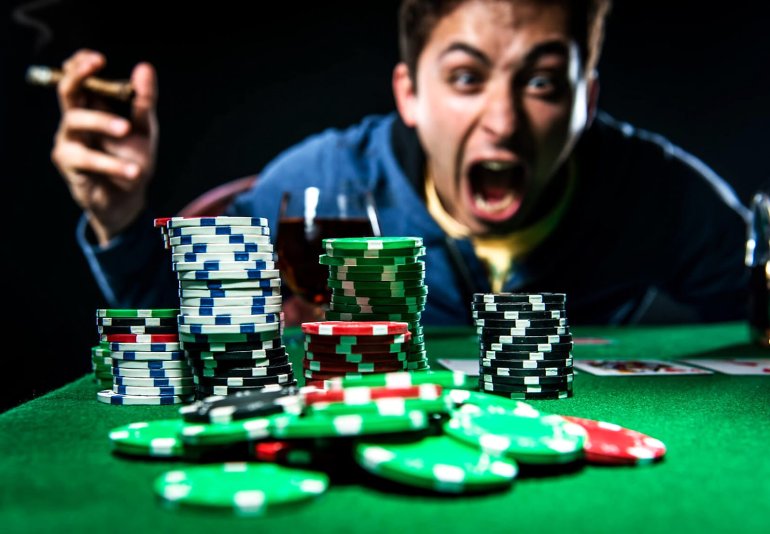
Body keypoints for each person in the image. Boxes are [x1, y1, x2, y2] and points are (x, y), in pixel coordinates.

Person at [51, 0, 750, 326]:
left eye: (541, 82)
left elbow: (758, 313)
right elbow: (176, 322)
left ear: (587, 100)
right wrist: (119, 217)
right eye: (467, 78)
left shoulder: (657, 190)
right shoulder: (324, 188)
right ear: (409, 93)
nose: (503, 122)